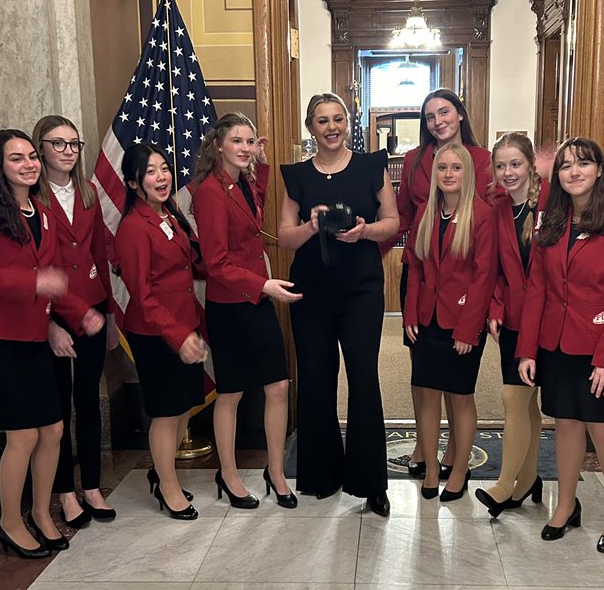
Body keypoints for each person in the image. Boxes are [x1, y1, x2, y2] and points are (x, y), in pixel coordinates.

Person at [0, 129, 104, 559]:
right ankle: (9, 521)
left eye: (30, 157)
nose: (28, 164)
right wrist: (32, 281)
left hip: (34, 337)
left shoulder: (40, 211)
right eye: (16, 158)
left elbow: (56, 276)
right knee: (21, 437)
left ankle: (42, 512)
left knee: (53, 430)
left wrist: (80, 313)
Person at [516, 137, 604, 552]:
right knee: (567, 425)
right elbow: (536, 289)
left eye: (583, 164)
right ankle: (566, 505)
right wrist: (527, 349)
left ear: (599, 170)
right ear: (556, 176)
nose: (574, 172)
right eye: (565, 166)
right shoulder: (551, 222)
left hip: (603, 347)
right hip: (557, 344)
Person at [279, 92, 399, 516]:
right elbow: (284, 235)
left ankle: (371, 484)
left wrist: (365, 231)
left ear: (348, 123)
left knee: (364, 379)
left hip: (360, 290)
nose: (331, 127)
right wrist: (311, 226)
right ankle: (320, 474)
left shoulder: (371, 166)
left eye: (338, 119)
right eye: (322, 121)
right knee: (316, 378)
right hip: (310, 291)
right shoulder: (296, 176)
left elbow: (393, 223)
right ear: (311, 128)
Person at [192, 113, 301, 509]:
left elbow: (251, 206)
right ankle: (229, 474)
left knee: (278, 386)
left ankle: (275, 471)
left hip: (255, 302)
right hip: (231, 307)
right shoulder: (208, 192)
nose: (244, 147)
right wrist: (264, 285)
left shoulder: (242, 183)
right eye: (236, 140)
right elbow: (215, 263)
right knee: (232, 393)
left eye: (250, 141)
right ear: (218, 144)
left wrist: (263, 159)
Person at [393, 89, 494, 480]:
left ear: (460, 114)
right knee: (424, 373)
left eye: (445, 112)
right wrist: (368, 241)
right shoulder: (415, 159)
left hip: (465, 271)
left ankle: (455, 454)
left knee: (458, 382)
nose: (438, 121)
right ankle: (425, 449)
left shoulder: (482, 159)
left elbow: (492, 225)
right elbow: (402, 215)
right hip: (423, 272)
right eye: (430, 116)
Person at [115, 142, 208, 520]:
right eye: (151, 171)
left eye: (165, 168)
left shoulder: (168, 214)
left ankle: (162, 470)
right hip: (157, 334)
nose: (162, 177)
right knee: (167, 413)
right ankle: (167, 486)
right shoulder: (134, 228)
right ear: (135, 183)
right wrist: (178, 336)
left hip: (184, 325)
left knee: (184, 405)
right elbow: (142, 295)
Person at [35, 115, 119, 529]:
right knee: (57, 406)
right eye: (58, 143)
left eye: (74, 144)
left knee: (87, 399)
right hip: (52, 315)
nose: (68, 151)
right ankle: (64, 491)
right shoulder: (31, 199)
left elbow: (100, 254)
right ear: (41, 148)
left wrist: (109, 315)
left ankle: (91, 485)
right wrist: (50, 324)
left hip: (91, 310)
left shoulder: (87, 194)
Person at [475, 133, 548, 517]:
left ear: (531, 164)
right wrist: (496, 306)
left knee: (514, 399)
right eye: (500, 166)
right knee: (524, 402)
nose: (508, 173)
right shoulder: (499, 208)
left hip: (548, 321)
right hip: (514, 322)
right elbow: (500, 272)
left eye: (515, 164)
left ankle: (505, 486)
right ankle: (529, 476)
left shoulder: (553, 203)